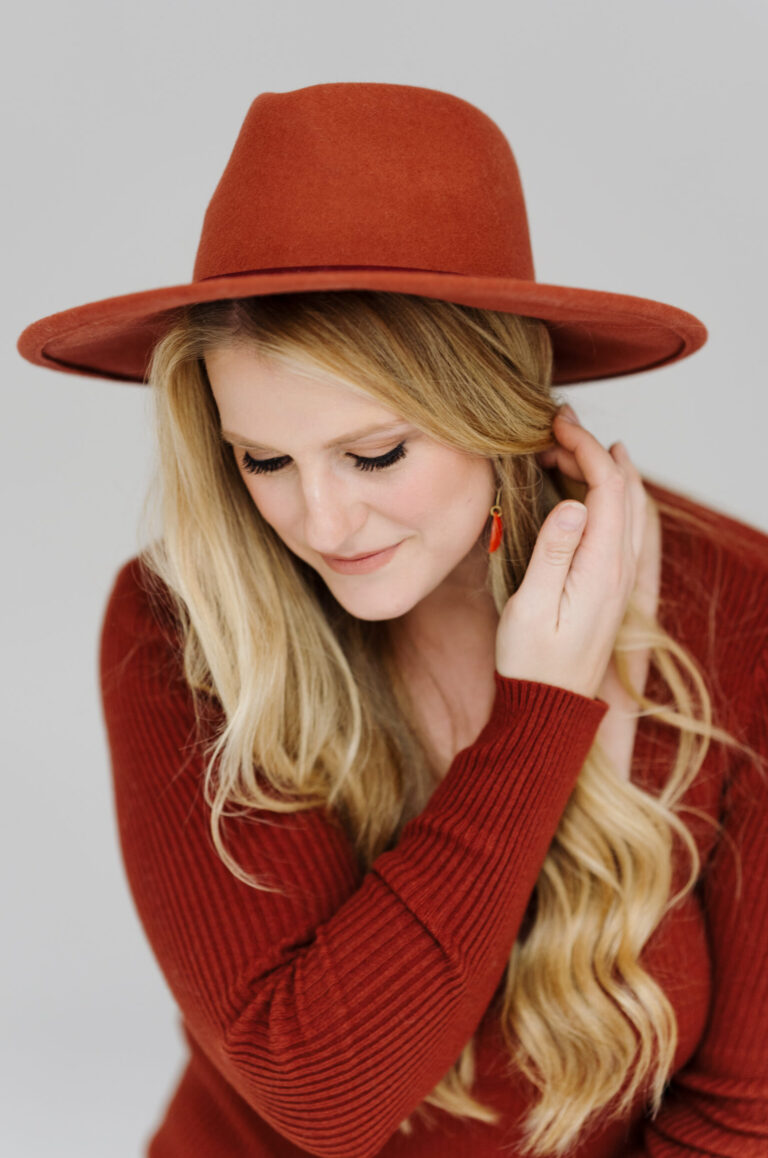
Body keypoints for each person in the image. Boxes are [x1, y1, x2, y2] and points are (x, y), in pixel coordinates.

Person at [16, 82, 768, 1158]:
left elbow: (744, 1116)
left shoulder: (742, 612)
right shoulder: (179, 627)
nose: (320, 522)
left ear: (497, 409)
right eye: (263, 460)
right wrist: (543, 710)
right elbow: (325, 1091)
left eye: (376, 455)